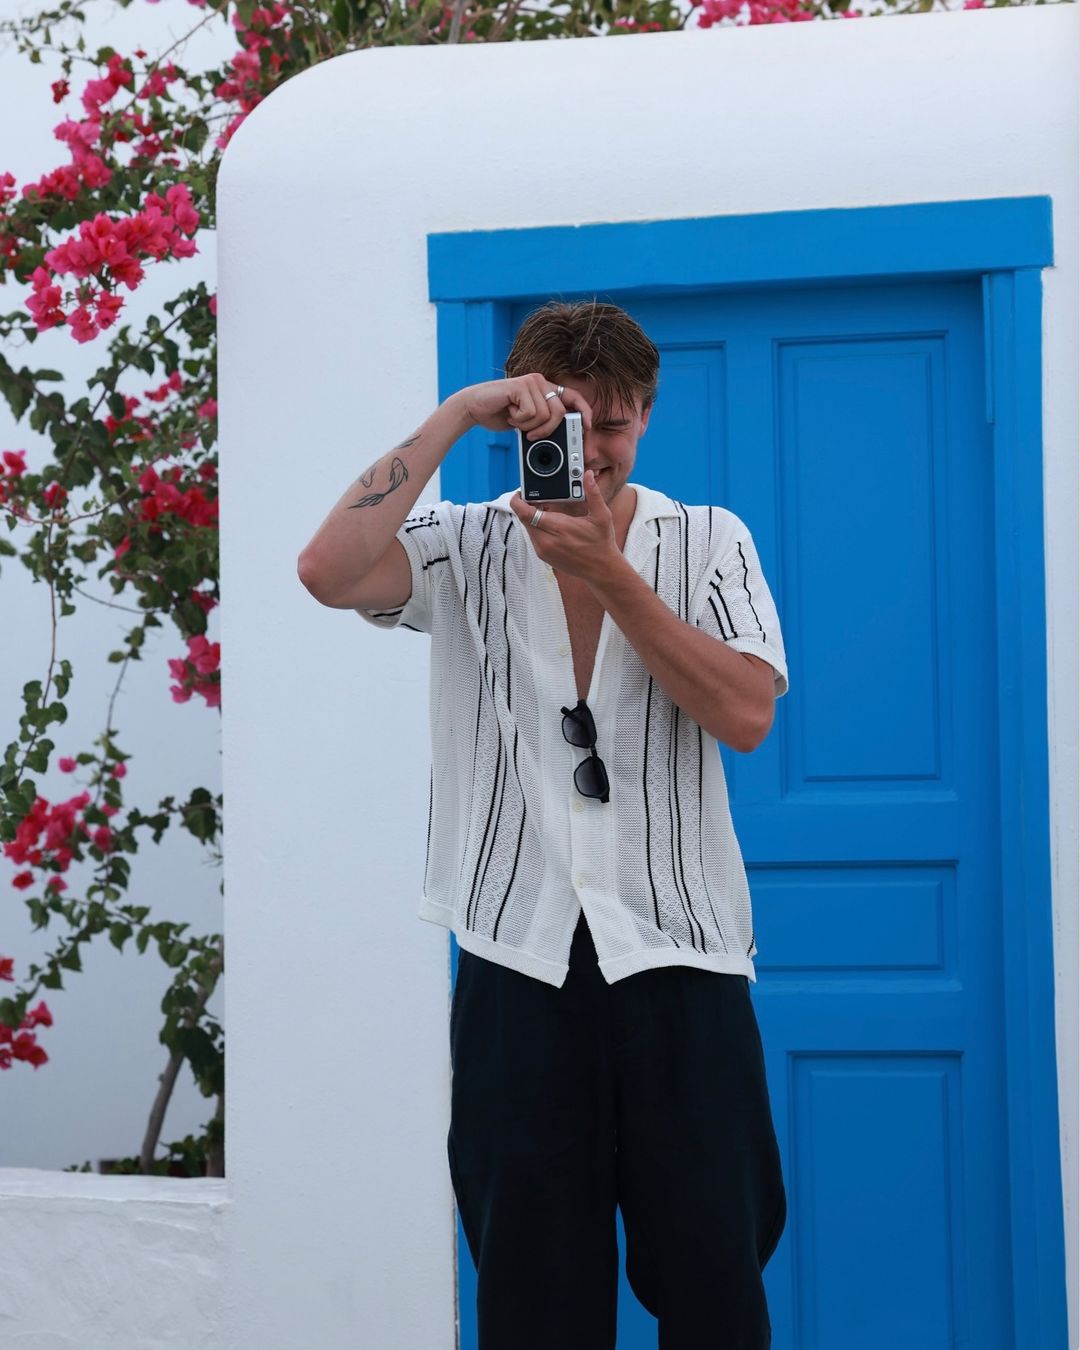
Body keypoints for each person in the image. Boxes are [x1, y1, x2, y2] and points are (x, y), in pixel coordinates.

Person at [298, 299, 789, 1349]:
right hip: (517, 961)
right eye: (568, 423)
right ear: (520, 421)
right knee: (530, 1299)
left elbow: (747, 714)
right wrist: (450, 417)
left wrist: (609, 573)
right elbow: (326, 571)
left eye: (612, 424)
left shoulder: (710, 540)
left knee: (715, 1287)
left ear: (646, 415)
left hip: (682, 959)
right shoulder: (464, 542)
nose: (591, 450)